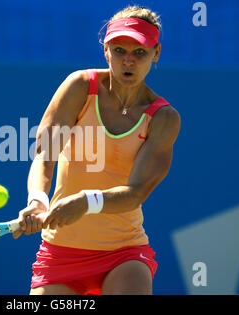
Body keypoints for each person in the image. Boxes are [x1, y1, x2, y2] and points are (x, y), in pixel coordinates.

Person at [13, 5, 181, 295]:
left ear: (156, 53)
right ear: (106, 51)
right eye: (119, 50)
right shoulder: (79, 86)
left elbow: (135, 193)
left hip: (124, 254)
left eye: (139, 52)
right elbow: (45, 155)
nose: (128, 61)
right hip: (60, 253)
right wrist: (38, 200)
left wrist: (84, 202)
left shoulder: (164, 118)